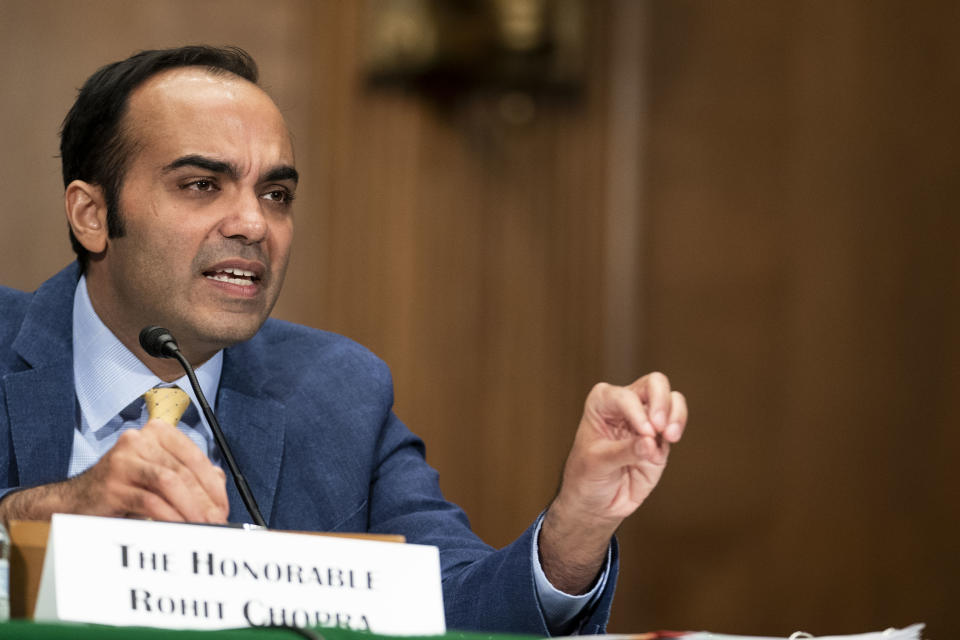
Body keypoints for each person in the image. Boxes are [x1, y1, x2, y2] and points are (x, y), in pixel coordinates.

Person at [0, 46, 687, 635]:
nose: (252, 224)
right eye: (201, 185)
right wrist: (46, 515)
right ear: (92, 215)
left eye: (276, 195)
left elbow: (450, 605)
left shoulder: (335, 390)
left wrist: (572, 532)